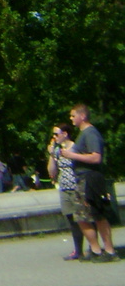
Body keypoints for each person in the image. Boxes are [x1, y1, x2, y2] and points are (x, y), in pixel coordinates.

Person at [61, 104, 118, 261]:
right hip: (82, 179)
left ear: (83, 116)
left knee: (98, 215)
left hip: (91, 178)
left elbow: (96, 157)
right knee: (81, 216)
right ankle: (95, 250)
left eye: (73, 116)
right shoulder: (82, 134)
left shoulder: (90, 133)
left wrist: (72, 156)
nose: (71, 119)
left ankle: (110, 251)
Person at [47, 123, 86, 260]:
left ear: (65, 134)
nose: (54, 137)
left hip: (76, 186)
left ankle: (93, 248)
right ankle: (78, 250)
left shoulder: (75, 147)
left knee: (83, 219)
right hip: (64, 187)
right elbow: (51, 172)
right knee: (71, 219)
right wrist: (52, 155)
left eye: (56, 134)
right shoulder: (58, 150)